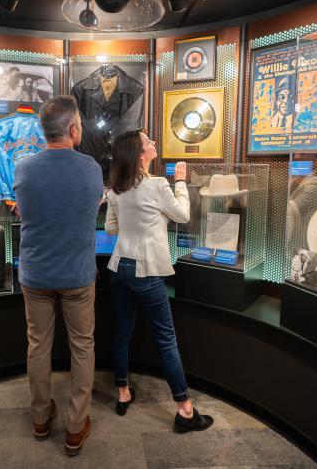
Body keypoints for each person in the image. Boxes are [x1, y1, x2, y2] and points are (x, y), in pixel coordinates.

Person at [105, 129, 214, 434]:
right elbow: (181, 214)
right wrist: (180, 181)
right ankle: (185, 409)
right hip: (147, 271)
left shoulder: (116, 188)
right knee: (166, 339)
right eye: (148, 142)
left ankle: (123, 392)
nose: (154, 144)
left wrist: (133, 220)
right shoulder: (157, 184)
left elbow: (111, 230)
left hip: (119, 268)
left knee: (122, 333)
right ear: (139, 154)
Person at [13, 95, 104, 457]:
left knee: (38, 346)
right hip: (78, 275)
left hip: (35, 275)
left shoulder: (23, 168)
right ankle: (75, 426)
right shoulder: (92, 168)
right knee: (83, 347)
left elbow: (27, 212)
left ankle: (40, 419)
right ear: (73, 128)